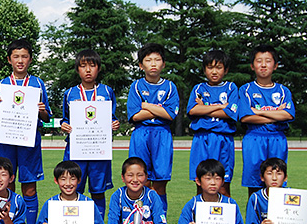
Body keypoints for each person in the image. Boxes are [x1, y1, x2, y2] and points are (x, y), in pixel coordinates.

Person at [0, 39, 51, 224]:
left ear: (30, 59)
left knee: (29, 187)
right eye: (16, 56)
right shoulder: (2, 84)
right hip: (6, 139)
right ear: (9, 59)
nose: (20, 60)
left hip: (28, 141)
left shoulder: (37, 83)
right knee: (6, 186)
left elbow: (47, 117)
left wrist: (42, 110)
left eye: (24, 56)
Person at [60, 49, 119, 219]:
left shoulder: (107, 92)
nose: (88, 70)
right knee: (72, 189)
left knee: (98, 191)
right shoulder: (70, 93)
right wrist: (64, 126)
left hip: (99, 151)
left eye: (92, 66)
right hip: (76, 150)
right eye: (83, 66)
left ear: (98, 68)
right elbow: (65, 119)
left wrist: (114, 124)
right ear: (77, 69)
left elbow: (112, 117)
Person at [126, 43, 179, 213]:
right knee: (140, 180)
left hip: (162, 134)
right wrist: (159, 109)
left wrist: (146, 105)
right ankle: (140, 221)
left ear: (164, 64)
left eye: (157, 59)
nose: (153, 63)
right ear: (141, 65)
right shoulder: (136, 86)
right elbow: (135, 116)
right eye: (148, 60)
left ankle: (159, 220)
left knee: (160, 182)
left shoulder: (170, 87)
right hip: (141, 134)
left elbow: (170, 115)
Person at [238, 45, 295, 197]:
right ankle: (255, 212)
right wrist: (276, 112)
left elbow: (288, 115)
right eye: (259, 61)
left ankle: (275, 213)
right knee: (254, 183)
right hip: (254, 138)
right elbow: (245, 117)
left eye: (268, 61)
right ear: (252, 66)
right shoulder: (246, 90)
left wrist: (258, 111)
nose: (263, 65)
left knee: (277, 182)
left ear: (275, 65)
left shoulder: (283, 91)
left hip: (277, 138)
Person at [172, 159, 252, 224]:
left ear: (223, 182)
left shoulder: (230, 203)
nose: (213, 183)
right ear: (198, 181)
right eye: (208, 179)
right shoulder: (193, 203)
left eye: (217, 179)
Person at [101, 157, 174, 224]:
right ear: (123, 177)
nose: (135, 179)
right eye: (130, 175)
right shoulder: (118, 195)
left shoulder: (152, 196)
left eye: (140, 175)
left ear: (146, 177)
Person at [35, 161, 108, 224]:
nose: (68, 183)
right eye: (63, 179)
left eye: (72, 179)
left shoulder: (87, 203)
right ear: (56, 180)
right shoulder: (51, 203)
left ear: (79, 180)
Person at [187, 50, 239, 197]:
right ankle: (200, 212)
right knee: (201, 183)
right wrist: (221, 106)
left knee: (223, 185)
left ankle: (226, 212)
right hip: (202, 139)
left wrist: (204, 108)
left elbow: (230, 113)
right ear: (204, 70)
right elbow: (193, 110)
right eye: (210, 67)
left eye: (219, 67)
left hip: (223, 139)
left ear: (226, 70)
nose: (214, 71)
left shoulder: (231, 88)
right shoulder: (198, 88)